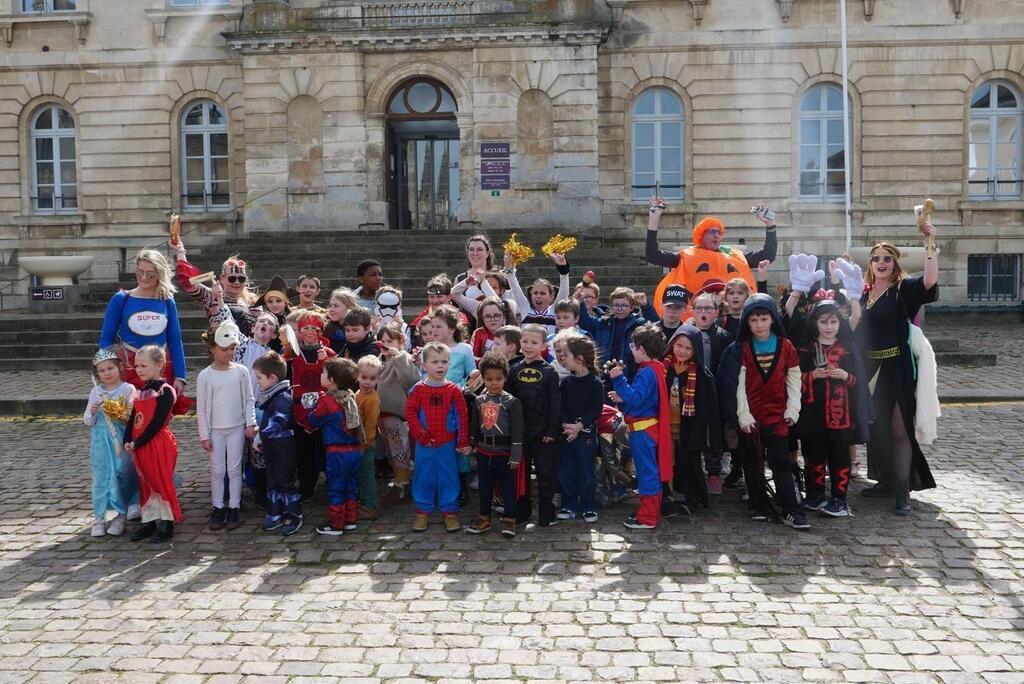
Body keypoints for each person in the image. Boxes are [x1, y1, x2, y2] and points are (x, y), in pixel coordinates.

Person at [855, 231, 939, 514]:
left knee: (899, 427)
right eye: (876, 258)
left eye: (887, 259)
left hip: (898, 368)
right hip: (870, 369)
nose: (881, 262)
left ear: (894, 264)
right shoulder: (864, 295)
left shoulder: (902, 290)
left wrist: (930, 246)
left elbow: (929, 282)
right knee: (877, 428)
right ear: (870, 264)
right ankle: (886, 481)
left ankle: (903, 488)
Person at [717, 294, 806, 529]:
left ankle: (791, 509)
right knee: (752, 463)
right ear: (747, 322)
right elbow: (736, 386)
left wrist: (792, 408)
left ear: (772, 320)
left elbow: (794, 379)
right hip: (751, 419)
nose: (759, 324)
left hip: (779, 417)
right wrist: (743, 416)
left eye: (764, 318)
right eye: (754, 320)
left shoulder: (786, 347)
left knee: (781, 464)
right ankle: (758, 504)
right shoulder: (740, 349)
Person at [797, 292, 871, 518]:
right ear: (815, 323)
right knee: (814, 455)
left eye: (833, 322)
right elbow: (793, 378)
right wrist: (812, 376)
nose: (828, 327)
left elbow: (859, 383)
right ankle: (815, 495)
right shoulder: (806, 350)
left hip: (841, 415)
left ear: (840, 322)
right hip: (813, 413)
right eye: (823, 322)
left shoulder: (848, 350)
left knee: (839, 457)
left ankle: (839, 499)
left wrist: (845, 375)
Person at [647, 197, 778, 314]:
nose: (717, 235)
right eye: (712, 231)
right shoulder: (686, 256)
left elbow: (768, 256)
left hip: (728, 316)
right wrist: (654, 219)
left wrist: (770, 225)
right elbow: (653, 255)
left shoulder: (735, 256)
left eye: (720, 232)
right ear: (700, 235)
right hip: (697, 316)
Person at [99, 248, 190, 415]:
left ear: (160, 274)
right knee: (130, 419)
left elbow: (175, 341)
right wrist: (107, 371)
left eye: (150, 273)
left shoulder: (167, 301)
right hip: (130, 367)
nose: (144, 277)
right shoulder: (121, 299)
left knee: (158, 421)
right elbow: (106, 339)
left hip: (160, 368)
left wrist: (180, 376)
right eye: (140, 272)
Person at [607, 323, 671, 530]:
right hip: (646, 428)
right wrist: (622, 395)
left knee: (646, 473)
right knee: (647, 472)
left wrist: (618, 380)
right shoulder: (655, 369)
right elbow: (642, 400)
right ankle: (648, 512)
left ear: (641, 349)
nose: (631, 349)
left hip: (644, 431)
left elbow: (635, 399)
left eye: (633, 346)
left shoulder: (646, 372)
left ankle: (648, 517)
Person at [197, 320, 257, 532]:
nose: (229, 353)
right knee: (217, 469)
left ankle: (234, 506)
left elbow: (249, 399)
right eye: (224, 349)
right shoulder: (205, 375)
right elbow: (202, 408)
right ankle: (217, 507)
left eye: (232, 348)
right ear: (212, 349)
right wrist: (204, 434)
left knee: (234, 469)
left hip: (236, 427)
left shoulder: (241, 372)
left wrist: (250, 422)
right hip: (215, 429)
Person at [406, 343, 472, 533]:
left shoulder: (453, 390)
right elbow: (410, 413)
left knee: (449, 476)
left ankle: (449, 511)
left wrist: (463, 441)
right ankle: (422, 511)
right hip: (425, 443)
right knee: (423, 475)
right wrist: (420, 434)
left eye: (444, 361)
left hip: (448, 443)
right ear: (424, 365)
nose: (440, 366)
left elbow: (462, 415)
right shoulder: (418, 389)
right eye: (435, 362)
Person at [123, 345, 181, 543]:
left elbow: (157, 422)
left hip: (157, 443)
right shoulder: (140, 391)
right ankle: (149, 521)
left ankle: (166, 524)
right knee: (145, 482)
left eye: (143, 365)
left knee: (160, 481)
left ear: (159, 365)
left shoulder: (165, 391)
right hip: (141, 445)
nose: (138, 369)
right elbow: (133, 417)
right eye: (137, 366)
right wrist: (128, 439)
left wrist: (139, 441)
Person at [507, 324, 562, 528]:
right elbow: (508, 401)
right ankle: (523, 509)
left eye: (534, 342)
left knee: (545, 473)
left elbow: (555, 403)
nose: (529, 346)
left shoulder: (550, 372)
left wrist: (551, 430)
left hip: (542, 433)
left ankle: (547, 512)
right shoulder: (514, 369)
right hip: (520, 432)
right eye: (525, 341)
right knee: (521, 474)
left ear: (543, 345)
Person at [663, 325, 722, 517]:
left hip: (690, 427)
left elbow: (707, 407)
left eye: (688, 348)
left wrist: (705, 433)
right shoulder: (663, 369)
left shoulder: (701, 375)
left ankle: (692, 498)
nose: (682, 351)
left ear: (695, 350)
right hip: (666, 425)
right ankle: (666, 496)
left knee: (689, 463)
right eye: (679, 346)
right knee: (667, 462)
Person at [466, 351, 523, 538]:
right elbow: (474, 425)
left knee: (508, 489)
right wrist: (472, 443)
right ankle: (484, 518)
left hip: (504, 454)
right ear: (483, 378)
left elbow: (517, 431)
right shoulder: (479, 401)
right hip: (484, 452)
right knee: (484, 488)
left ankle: (510, 519)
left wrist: (515, 455)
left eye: (498, 379)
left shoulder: (512, 402)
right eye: (489, 379)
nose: (494, 383)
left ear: (505, 377)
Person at [84, 350, 138, 537]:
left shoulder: (128, 389)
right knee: (101, 478)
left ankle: (121, 516)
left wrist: (115, 409)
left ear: (119, 368)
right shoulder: (96, 392)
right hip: (100, 442)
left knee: (120, 475)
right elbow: (87, 421)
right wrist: (92, 411)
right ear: (97, 374)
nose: (107, 373)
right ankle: (98, 518)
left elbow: (131, 417)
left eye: (110, 368)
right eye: (102, 370)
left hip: (119, 441)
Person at [284, 311, 337, 500]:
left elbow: (339, 375)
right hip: (300, 408)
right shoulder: (292, 353)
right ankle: (306, 485)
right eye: (305, 328)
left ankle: (332, 484)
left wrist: (328, 361)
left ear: (319, 330)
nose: (309, 332)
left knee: (325, 447)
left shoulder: (328, 352)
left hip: (324, 408)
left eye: (313, 328)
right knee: (303, 449)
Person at [308, 357, 364, 535]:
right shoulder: (349, 396)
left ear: (331, 380)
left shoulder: (328, 402)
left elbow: (314, 420)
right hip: (354, 450)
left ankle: (336, 524)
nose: (321, 375)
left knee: (336, 487)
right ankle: (350, 519)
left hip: (337, 452)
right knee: (350, 487)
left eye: (324, 373)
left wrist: (312, 406)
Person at [253, 352, 303, 536]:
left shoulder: (282, 398)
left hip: (283, 447)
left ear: (272, 378)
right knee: (273, 479)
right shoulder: (272, 396)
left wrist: (262, 435)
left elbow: (279, 422)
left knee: (286, 480)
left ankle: (294, 513)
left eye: (259, 378)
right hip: (273, 447)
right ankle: (275, 512)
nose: (257, 381)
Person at [689, 290, 734, 494]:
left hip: (715, 393)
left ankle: (714, 472)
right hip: (690, 392)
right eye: (699, 308)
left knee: (714, 433)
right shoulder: (685, 333)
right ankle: (691, 472)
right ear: (693, 312)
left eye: (708, 308)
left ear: (717, 312)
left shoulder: (724, 337)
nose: (703, 312)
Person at [557, 335, 604, 524]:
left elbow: (596, 410)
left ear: (580, 358)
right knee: (565, 471)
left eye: (566, 355)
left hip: (586, 436)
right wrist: (565, 425)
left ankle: (588, 505)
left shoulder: (595, 383)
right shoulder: (567, 383)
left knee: (586, 471)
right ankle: (568, 504)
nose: (562, 358)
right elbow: (562, 406)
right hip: (567, 435)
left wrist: (579, 425)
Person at [173, 235, 259, 336]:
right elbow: (187, 281)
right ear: (222, 278)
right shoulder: (212, 296)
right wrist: (180, 251)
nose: (237, 282)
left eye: (241, 279)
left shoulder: (253, 301)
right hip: (222, 348)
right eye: (232, 278)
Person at [375, 324, 421, 503]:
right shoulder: (379, 361)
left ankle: (403, 484)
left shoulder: (404, 358)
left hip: (397, 414)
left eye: (390, 341)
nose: (386, 345)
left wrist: (399, 357)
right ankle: (398, 480)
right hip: (381, 414)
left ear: (400, 342)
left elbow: (411, 379)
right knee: (390, 449)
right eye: (383, 341)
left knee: (399, 449)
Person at [578, 287, 660, 382]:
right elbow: (584, 321)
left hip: (630, 377)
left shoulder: (639, 324)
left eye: (624, 306)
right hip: (604, 377)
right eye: (616, 305)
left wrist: (645, 306)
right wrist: (580, 302)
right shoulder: (603, 323)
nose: (620, 309)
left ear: (632, 308)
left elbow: (657, 328)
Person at [504, 252, 571, 333]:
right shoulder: (525, 308)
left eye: (543, 293)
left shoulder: (554, 312)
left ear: (551, 297)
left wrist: (563, 271)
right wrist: (509, 268)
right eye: (535, 293)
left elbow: (564, 294)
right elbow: (515, 288)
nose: (538, 296)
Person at [355, 355, 382, 520]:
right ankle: (363, 502)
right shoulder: (358, 394)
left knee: (366, 476)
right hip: (358, 443)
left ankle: (369, 506)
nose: (367, 382)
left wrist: (364, 446)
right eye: (364, 377)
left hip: (366, 445)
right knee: (361, 476)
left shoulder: (372, 399)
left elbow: (371, 426)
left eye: (372, 379)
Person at [471, 296, 514, 362]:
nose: (492, 319)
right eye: (488, 316)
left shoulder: (511, 333)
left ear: (504, 316)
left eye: (496, 315)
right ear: (482, 318)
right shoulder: (478, 333)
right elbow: (473, 357)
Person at [325, 287, 359, 354]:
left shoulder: (359, 327)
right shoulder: (325, 326)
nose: (331, 309)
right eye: (330, 305)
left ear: (350, 307)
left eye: (336, 306)